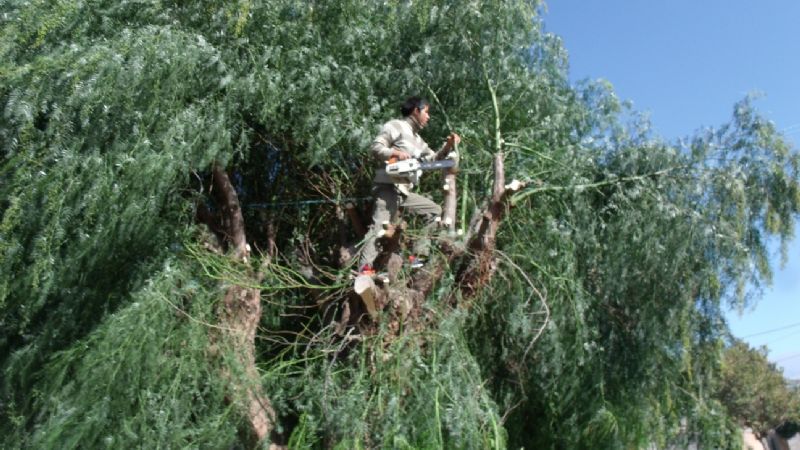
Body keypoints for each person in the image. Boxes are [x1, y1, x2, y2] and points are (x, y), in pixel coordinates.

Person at [360, 96, 461, 273]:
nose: (428, 117)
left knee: (434, 211)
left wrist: (448, 147)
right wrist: (395, 153)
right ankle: (364, 270)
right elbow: (376, 148)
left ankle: (418, 257)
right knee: (380, 227)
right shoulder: (395, 126)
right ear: (416, 110)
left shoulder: (418, 140)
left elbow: (433, 159)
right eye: (426, 112)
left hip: (404, 192)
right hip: (387, 187)